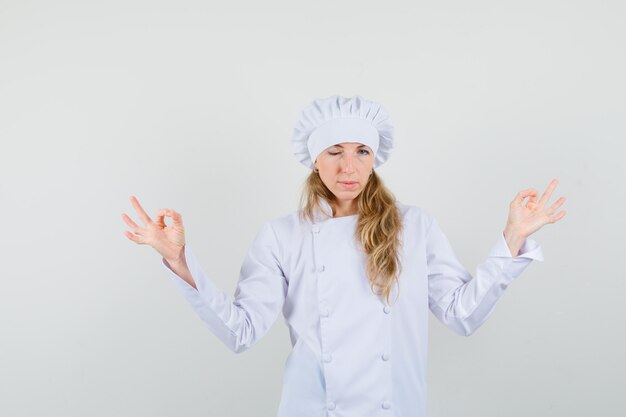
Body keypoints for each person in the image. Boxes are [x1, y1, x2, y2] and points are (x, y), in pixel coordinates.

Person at [121, 95, 566, 417]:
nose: (348, 167)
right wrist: (179, 260)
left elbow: (461, 314)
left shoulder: (414, 227)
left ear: (375, 159)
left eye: (361, 152)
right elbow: (241, 332)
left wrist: (512, 238)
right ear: (315, 160)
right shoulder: (282, 236)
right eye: (334, 152)